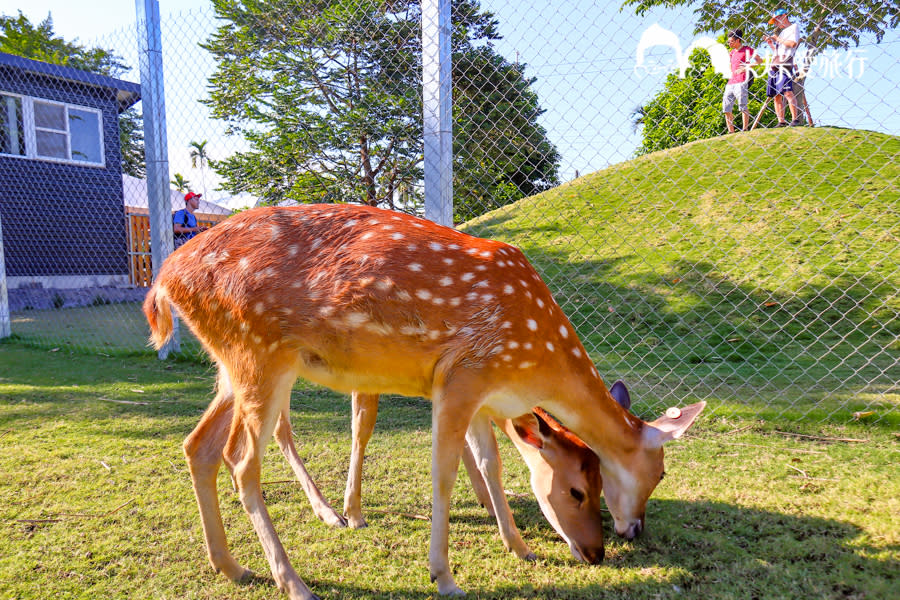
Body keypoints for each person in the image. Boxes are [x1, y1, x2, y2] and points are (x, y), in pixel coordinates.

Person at [764, 8, 802, 126]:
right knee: (776, 95)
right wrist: (771, 44)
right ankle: (781, 121)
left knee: (787, 92)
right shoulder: (781, 33)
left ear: (784, 16)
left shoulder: (793, 27)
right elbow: (778, 50)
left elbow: (792, 44)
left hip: (784, 63)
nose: (775, 23)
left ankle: (795, 119)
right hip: (775, 63)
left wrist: (778, 39)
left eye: (776, 20)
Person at [722, 29, 763, 133]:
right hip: (731, 81)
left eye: (731, 41)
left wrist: (747, 67)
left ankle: (745, 129)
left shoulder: (747, 50)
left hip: (742, 80)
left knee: (742, 105)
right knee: (726, 107)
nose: (729, 43)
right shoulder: (731, 53)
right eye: (728, 41)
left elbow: (759, 60)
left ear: (738, 40)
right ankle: (731, 131)